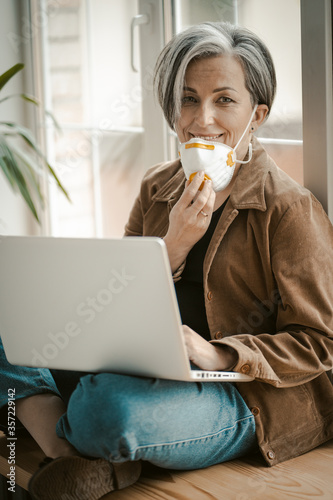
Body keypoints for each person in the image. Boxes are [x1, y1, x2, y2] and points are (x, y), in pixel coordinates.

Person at [1, 21, 333, 500]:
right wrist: (173, 244)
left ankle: (86, 437)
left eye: (224, 100)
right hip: (140, 369)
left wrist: (220, 353)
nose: (202, 120)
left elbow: (320, 343)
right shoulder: (156, 188)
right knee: (8, 322)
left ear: (256, 115)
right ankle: (66, 451)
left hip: (243, 396)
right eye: (188, 99)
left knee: (104, 406)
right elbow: (111, 301)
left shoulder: (289, 208)